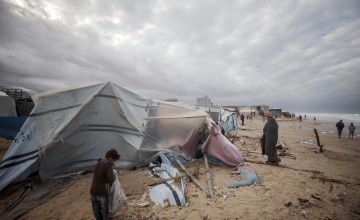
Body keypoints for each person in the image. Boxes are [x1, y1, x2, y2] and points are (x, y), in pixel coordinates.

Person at [90, 149, 121, 220]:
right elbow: (112, 181)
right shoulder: (108, 165)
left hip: (92, 192)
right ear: (110, 157)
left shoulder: (99, 162)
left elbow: (100, 176)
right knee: (105, 214)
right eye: (114, 160)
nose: (113, 162)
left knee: (97, 214)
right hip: (101, 193)